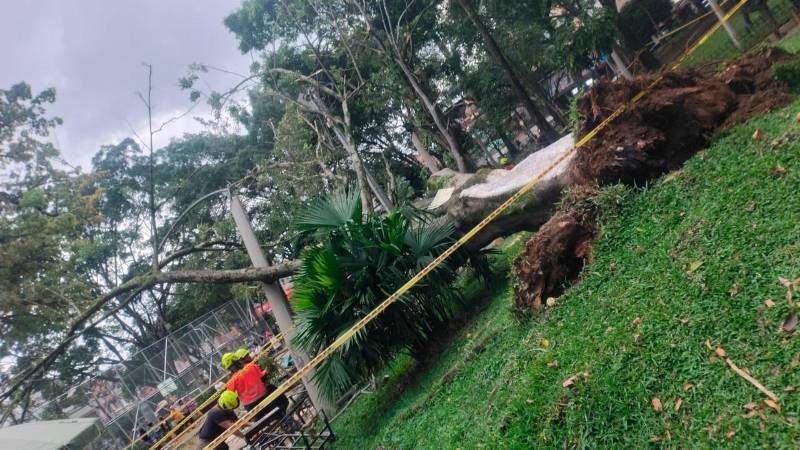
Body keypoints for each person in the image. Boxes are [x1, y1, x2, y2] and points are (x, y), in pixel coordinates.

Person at [225, 349, 290, 425]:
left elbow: (229, 396)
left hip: (251, 406)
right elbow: (262, 377)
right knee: (280, 414)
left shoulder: (232, 380)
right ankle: (291, 426)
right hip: (265, 397)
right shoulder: (252, 366)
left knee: (262, 425)